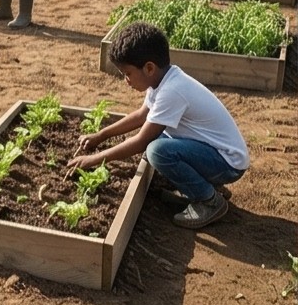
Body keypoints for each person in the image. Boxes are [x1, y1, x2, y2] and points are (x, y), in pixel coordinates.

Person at [69, 22, 248, 229]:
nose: (125, 80)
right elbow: (141, 115)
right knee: (158, 142)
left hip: (227, 163)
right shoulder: (162, 79)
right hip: (213, 152)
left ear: (149, 68)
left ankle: (209, 201)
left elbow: (141, 140)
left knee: (157, 151)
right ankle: (206, 186)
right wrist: (101, 135)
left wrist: (93, 160)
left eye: (127, 73)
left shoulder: (172, 91)